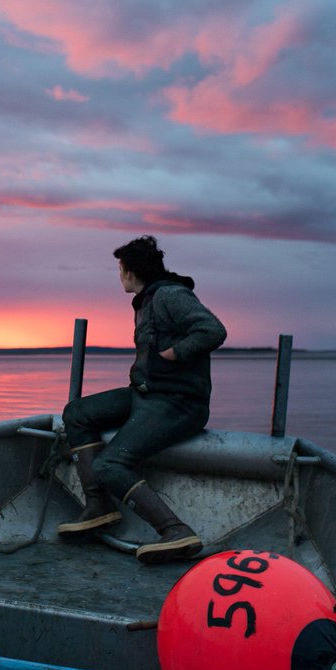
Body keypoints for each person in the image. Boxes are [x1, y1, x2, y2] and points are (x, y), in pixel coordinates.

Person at [58, 235, 227, 563]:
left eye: (120, 268)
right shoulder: (147, 300)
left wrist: (176, 353)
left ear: (129, 271)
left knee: (110, 463)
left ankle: (175, 531)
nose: (119, 275)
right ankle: (98, 506)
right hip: (145, 395)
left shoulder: (170, 295)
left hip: (178, 403)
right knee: (77, 413)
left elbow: (213, 331)